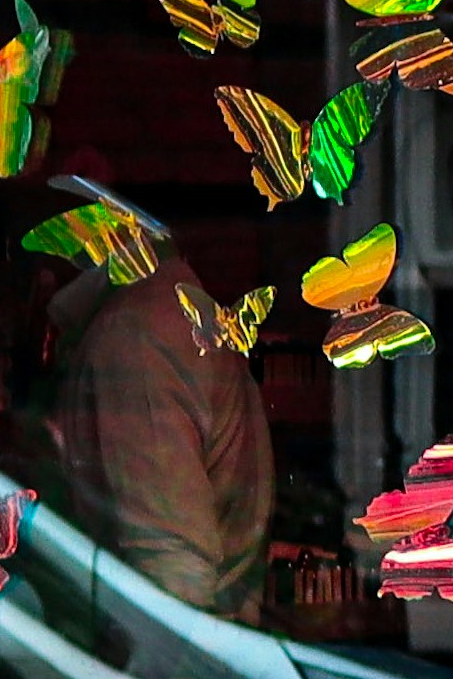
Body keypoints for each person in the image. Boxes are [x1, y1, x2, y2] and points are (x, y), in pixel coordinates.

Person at [33, 190, 274, 614]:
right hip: (203, 648)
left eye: (50, 235)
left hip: (179, 665)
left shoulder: (136, 335)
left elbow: (175, 570)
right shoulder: (176, 314)